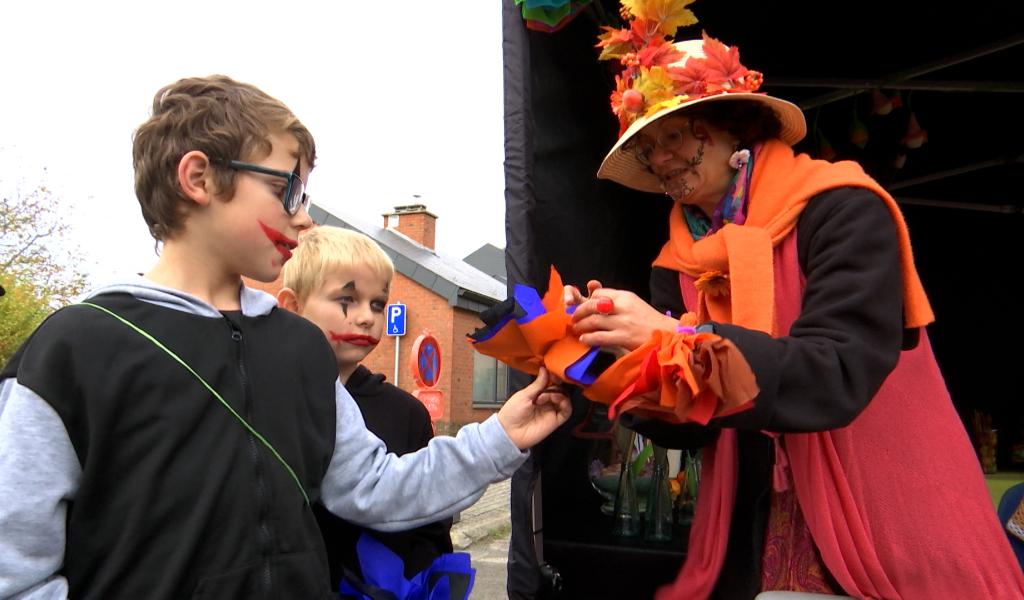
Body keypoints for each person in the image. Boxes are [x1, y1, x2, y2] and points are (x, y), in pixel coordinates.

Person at [0, 75, 570, 600]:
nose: (305, 218)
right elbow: (16, 571)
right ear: (198, 178)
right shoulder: (73, 351)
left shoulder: (300, 347)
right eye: (288, 189)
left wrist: (500, 436)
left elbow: (376, 488)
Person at [563, 33, 1024, 599]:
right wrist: (616, 353)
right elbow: (689, 425)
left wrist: (676, 338)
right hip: (756, 527)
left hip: (884, 501)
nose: (660, 160)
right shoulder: (678, 262)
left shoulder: (843, 209)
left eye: (676, 135)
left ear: (735, 123)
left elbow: (837, 372)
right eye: (646, 147)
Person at [276, 225, 455, 592]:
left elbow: (432, 530)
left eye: (377, 304)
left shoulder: (406, 414)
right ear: (292, 306)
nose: (366, 318)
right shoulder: (269, 400)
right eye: (347, 300)